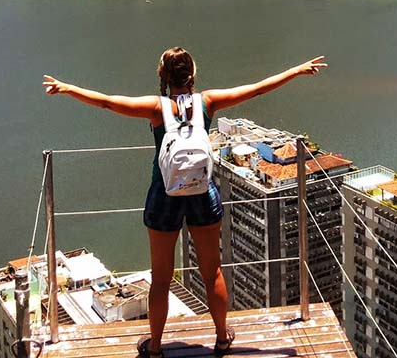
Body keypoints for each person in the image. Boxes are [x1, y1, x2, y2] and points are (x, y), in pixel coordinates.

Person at [42, 48, 327, 357]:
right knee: (212, 272)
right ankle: (221, 337)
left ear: (163, 77)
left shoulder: (155, 108)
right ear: (192, 76)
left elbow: (107, 101)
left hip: (163, 195)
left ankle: (155, 348)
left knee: (161, 279)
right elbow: (257, 88)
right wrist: (296, 70)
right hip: (202, 193)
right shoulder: (208, 102)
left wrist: (68, 88)